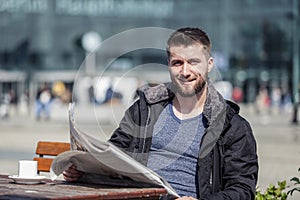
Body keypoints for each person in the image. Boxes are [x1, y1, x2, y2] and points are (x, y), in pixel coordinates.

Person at [63, 27, 258, 200]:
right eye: (177, 63)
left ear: (209, 64)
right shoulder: (144, 109)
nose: (185, 71)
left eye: (193, 62)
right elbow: (115, 155)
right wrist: (84, 171)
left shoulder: (232, 126)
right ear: (169, 65)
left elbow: (242, 189)